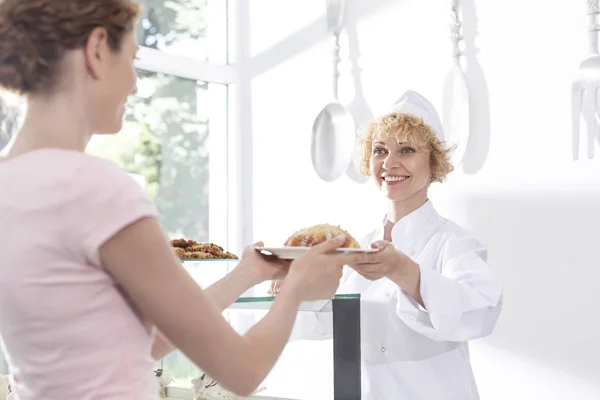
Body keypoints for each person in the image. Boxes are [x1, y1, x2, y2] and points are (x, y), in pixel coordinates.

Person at [0, 1, 366, 399]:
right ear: (98, 49)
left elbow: (137, 343)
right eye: (133, 58)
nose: (135, 83)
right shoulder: (96, 189)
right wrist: (297, 285)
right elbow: (243, 370)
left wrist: (247, 274)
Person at [272, 90, 503, 399]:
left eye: (406, 150)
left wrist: (404, 271)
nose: (389, 163)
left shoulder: (453, 243)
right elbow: (323, 322)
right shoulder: (358, 247)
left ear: (433, 162)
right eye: (380, 150)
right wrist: (293, 289)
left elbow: (480, 312)